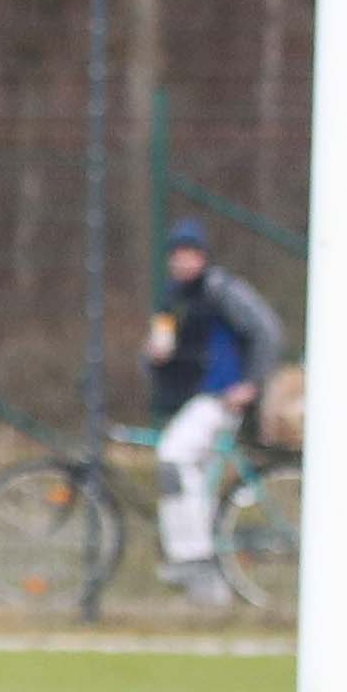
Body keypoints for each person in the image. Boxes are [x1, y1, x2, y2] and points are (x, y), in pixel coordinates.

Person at [143, 218, 288, 606]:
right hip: (193, 397)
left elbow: (266, 331)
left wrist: (252, 383)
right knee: (193, 482)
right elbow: (165, 347)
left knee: (173, 458)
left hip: (220, 397)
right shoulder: (172, 298)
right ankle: (210, 591)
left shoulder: (222, 291)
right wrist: (155, 358)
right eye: (176, 255)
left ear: (203, 256)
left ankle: (192, 557)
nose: (182, 262)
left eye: (189, 254)